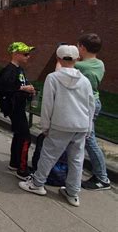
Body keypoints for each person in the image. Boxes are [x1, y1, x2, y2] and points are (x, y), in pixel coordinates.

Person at [19, 45, 94, 207]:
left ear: (58, 59)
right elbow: (90, 105)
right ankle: (73, 192)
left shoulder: (53, 78)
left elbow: (47, 104)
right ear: (76, 59)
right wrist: (89, 126)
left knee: (49, 155)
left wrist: (45, 126)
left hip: (61, 124)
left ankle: (37, 183)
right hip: (81, 124)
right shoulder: (85, 81)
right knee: (76, 159)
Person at [0, 42, 36, 180]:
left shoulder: (19, 70)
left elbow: (20, 84)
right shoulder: (9, 70)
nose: (28, 56)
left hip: (19, 107)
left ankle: (14, 162)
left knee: (19, 135)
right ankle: (22, 170)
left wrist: (28, 88)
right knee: (25, 138)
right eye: (25, 54)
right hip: (14, 108)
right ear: (15, 54)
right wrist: (22, 89)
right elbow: (1, 87)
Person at [75, 33, 110, 191]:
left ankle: (102, 178)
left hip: (86, 104)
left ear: (82, 47)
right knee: (85, 137)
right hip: (95, 101)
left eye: (78, 46)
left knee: (89, 139)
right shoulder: (100, 63)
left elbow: (61, 69)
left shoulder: (80, 66)